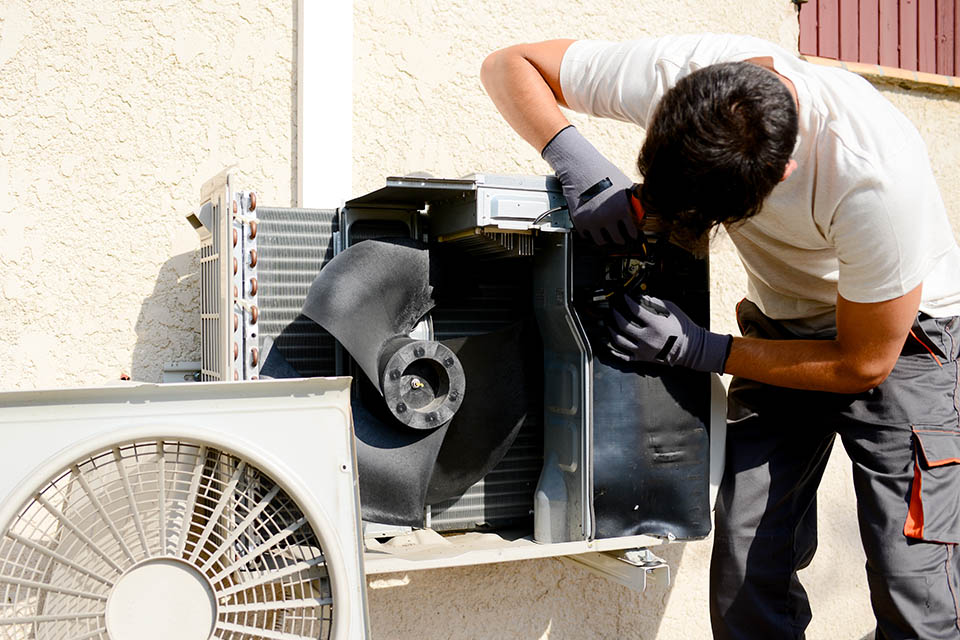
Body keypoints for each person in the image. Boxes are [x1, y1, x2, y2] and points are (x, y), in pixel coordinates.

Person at [481, 34, 960, 639]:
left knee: (912, 584)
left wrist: (705, 350)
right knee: (746, 568)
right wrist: (576, 160)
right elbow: (508, 65)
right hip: (782, 329)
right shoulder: (681, 76)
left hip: (901, 347)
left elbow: (863, 363)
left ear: (779, 175)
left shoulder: (873, 178)